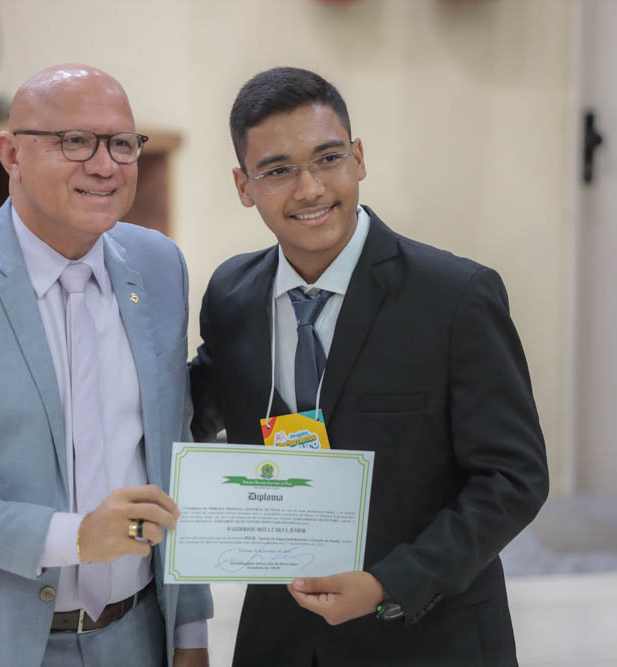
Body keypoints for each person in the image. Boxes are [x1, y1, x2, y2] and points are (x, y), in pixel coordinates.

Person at [190, 66, 548, 666]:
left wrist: (389, 584)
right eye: (277, 170)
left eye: (327, 158)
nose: (308, 189)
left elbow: (514, 479)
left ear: (358, 158)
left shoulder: (455, 296)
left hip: (426, 633)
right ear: (243, 184)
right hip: (279, 637)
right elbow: (197, 408)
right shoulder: (231, 294)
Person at [0, 64, 211, 667]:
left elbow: (173, 455)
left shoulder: (159, 267)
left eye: (122, 144)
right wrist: (75, 538)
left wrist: (190, 634)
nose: (105, 165)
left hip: (136, 635)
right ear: (12, 154)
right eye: (74, 142)